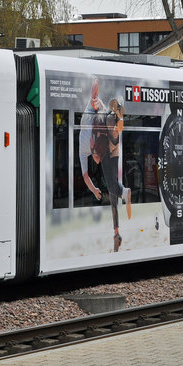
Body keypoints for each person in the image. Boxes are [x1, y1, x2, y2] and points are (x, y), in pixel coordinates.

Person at [80, 79, 129, 252]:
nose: (96, 161)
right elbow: (85, 176)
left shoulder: (91, 142)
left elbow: (94, 89)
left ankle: (124, 192)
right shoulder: (84, 148)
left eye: (97, 158)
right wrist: (93, 190)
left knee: (112, 186)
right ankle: (116, 232)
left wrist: (95, 81)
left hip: (111, 145)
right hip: (110, 142)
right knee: (111, 190)